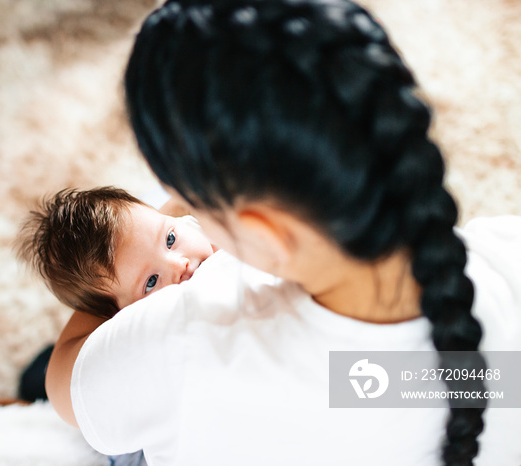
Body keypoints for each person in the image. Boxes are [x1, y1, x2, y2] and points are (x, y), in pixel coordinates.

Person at [47, 1, 521, 465]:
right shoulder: (506, 253)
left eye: (187, 202)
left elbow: (65, 379)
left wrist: (115, 291)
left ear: (263, 234)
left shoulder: (183, 336)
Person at [16, 186, 216, 319]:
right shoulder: (163, 323)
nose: (179, 265)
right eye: (151, 281)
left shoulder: (205, 221)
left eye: (170, 240)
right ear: (122, 313)